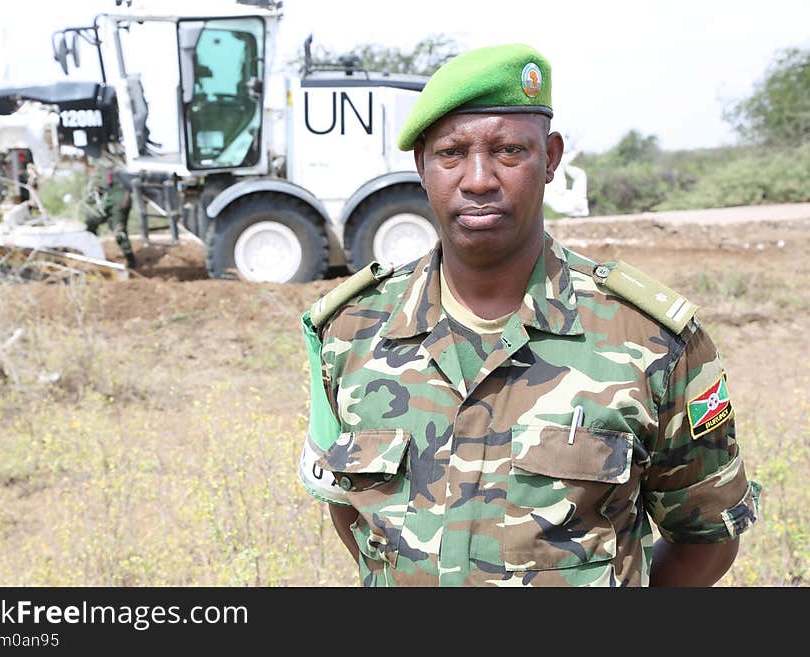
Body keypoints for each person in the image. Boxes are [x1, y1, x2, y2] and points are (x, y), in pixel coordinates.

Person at [298, 43, 761, 587]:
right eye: (450, 153)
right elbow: (349, 509)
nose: (477, 179)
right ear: (421, 165)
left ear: (553, 157)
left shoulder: (653, 340)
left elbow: (706, 539)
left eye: (509, 151)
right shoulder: (350, 331)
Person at [82, 152, 137, 269]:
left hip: (119, 202)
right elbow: (99, 187)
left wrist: (125, 200)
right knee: (90, 222)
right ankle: (94, 253)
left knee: (119, 232)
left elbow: (129, 185)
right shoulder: (102, 168)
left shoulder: (121, 167)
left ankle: (131, 261)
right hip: (107, 202)